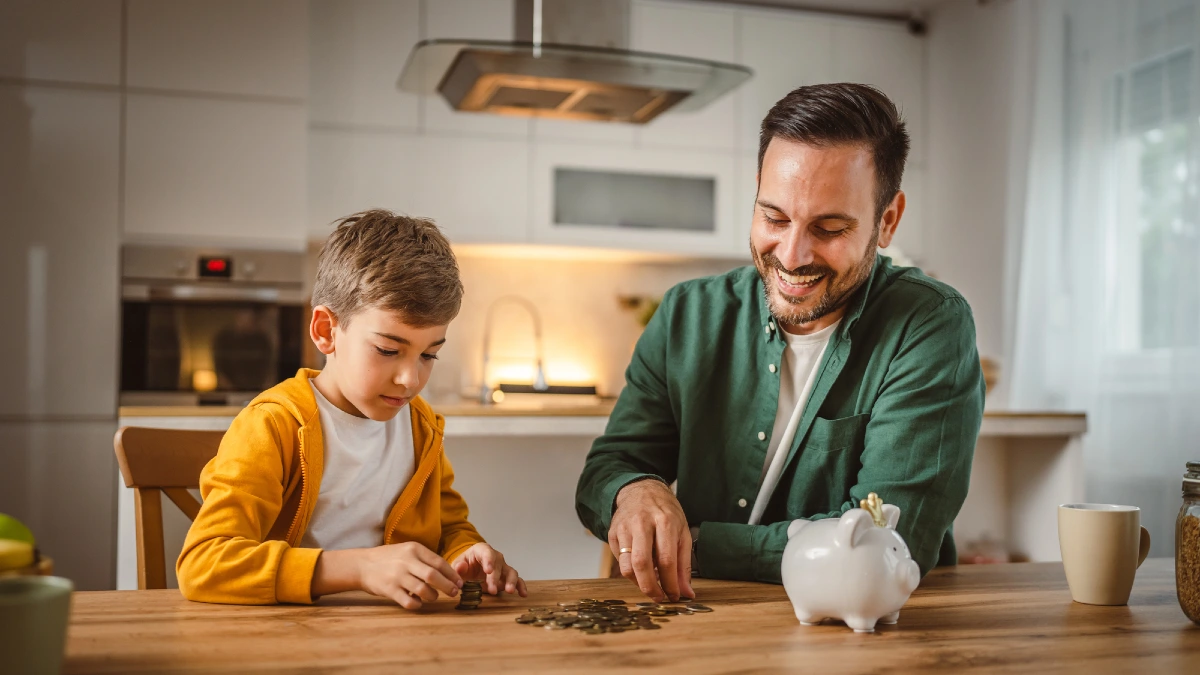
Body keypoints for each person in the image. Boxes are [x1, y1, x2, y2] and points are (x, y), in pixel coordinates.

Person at [576, 83, 986, 602]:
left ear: (887, 221)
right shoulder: (686, 313)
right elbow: (605, 472)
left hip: (866, 632)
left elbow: (885, 543)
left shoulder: (930, 324)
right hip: (705, 618)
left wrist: (699, 545)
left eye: (829, 227)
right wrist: (634, 491)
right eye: (774, 217)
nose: (792, 255)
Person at [178, 209, 526, 607]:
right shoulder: (274, 424)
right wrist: (361, 569)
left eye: (429, 355)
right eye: (388, 350)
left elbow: (449, 526)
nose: (410, 380)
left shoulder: (421, 427)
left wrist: (466, 552)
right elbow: (204, 564)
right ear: (326, 331)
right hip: (287, 638)